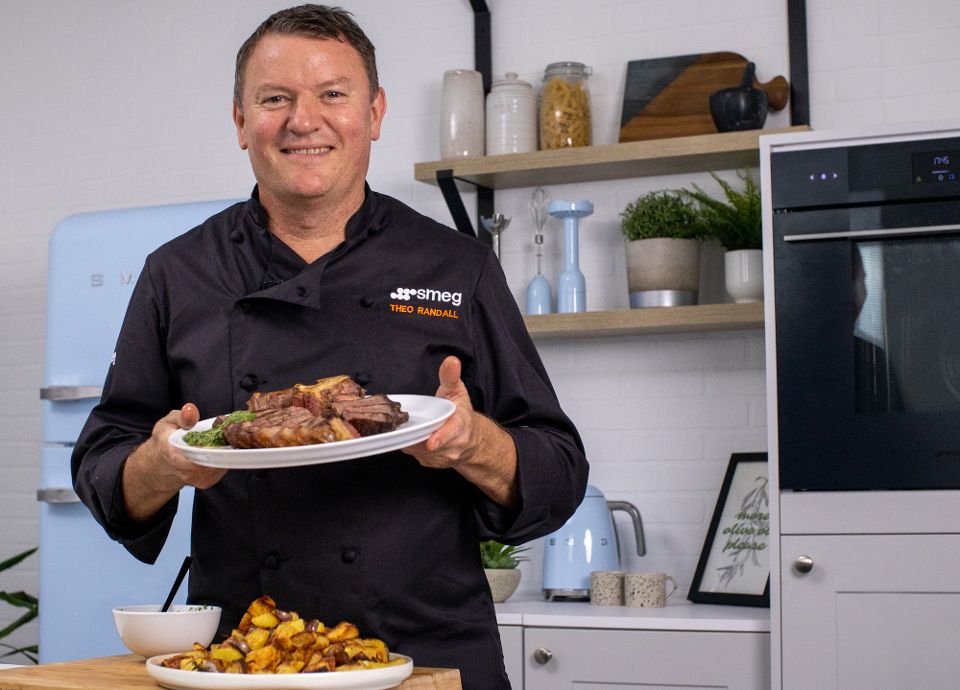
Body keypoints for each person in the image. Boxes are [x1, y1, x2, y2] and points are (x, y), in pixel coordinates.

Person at [70, 5, 588, 689]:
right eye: (275, 98)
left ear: (373, 114)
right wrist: (165, 463)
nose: (302, 120)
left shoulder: (454, 268)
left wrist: (472, 444)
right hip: (250, 660)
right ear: (239, 121)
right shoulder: (180, 273)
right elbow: (105, 467)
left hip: (427, 656)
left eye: (332, 95)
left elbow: (558, 467)